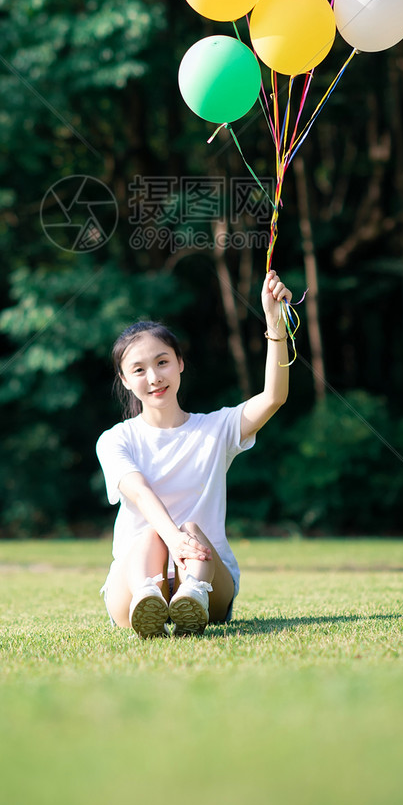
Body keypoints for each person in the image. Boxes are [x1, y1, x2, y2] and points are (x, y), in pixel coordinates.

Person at [96, 268, 293, 638]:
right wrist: (172, 539)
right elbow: (138, 491)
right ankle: (148, 599)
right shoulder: (115, 440)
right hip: (133, 582)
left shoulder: (216, 428)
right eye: (138, 369)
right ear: (124, 380)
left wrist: (274, 324)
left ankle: (192, 597)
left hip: (208, 580)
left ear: (180, 363)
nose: (154, 377)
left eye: (162, 362)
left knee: (191, 529)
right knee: (151, 534)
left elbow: (273, 398)